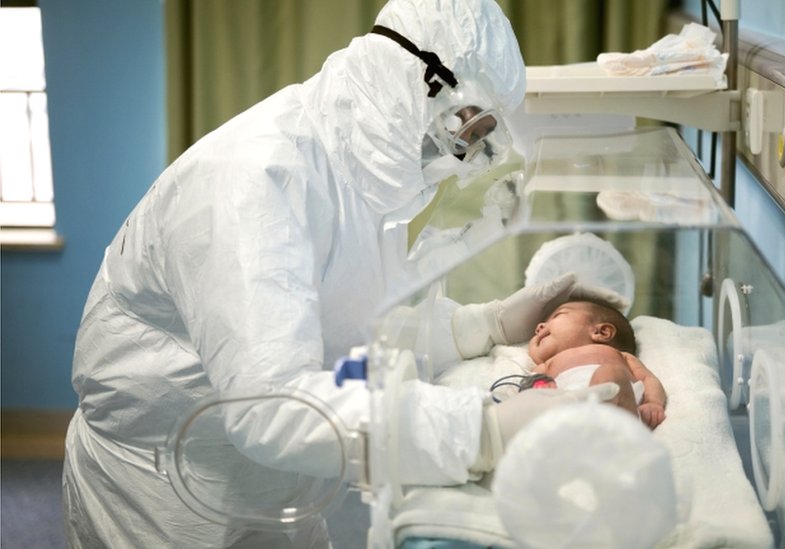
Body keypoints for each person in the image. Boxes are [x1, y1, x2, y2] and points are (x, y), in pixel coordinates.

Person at [61, 1, 614, 547]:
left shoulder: (362, 175)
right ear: (422, 81)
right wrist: (480, 432)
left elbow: (352, 332)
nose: (469, 153)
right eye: (471, 127)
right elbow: (272, 409)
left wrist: (481, 326)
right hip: (165, 490)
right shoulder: (252, 181)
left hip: (275, 481)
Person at [525, 299, 668, 428]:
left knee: (611, 374)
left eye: (558, 315)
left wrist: (652, 402)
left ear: (602, 332)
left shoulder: (618, 356)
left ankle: (600, 428)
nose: (539, 327)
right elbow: (527, 390)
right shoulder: (547, 364)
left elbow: (647, 379)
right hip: (566, 409)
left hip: (616, 409)